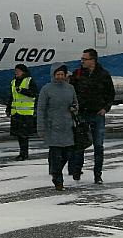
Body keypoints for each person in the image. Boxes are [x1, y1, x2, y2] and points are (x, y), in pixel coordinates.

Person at [71, 48, 115, 184]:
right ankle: (77, 171)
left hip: (97, 115)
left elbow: (110, 93)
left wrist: (105, 108)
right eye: (82, 59)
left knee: (98, 146)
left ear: (93, 60)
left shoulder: (103, 75)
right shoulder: (78, 74)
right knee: (80, 145)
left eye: (85, 59)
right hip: (82, 114)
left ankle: (97, 175)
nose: (82, 61)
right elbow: (71, 91)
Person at [36, 62, 79, 190]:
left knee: (67, 154)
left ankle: (55, 171)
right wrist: (40, 127)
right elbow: (41, 109)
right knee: (56, 155)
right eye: (58, 74)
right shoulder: (46, 89)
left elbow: (76, 103)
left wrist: (75, 109)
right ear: (53, 75)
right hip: (53, 127)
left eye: (62, 74)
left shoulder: (70, 88)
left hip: (67, 126)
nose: (60, 77)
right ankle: (58, 180)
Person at [5, 64, 38, 161]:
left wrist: (23, 91)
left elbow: (34, 94)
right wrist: (8, 108)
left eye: (18, 71)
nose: (16, 72)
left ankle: (24, 154)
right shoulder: (14, 82)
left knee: (24, 135)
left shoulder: (29, 80)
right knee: (19, 135)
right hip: (16, 112)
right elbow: (12, 97)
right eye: (16, 71)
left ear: (23, 72)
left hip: (26, 113)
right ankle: (22, 152)